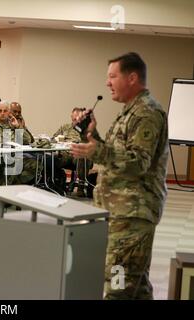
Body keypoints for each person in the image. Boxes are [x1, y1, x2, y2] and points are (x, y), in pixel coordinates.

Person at [71, 52, 169, 300]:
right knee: (135, 287)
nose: (107, 83)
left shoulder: (146, 113)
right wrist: (92, 136)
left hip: (133, 215)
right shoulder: (130, 111)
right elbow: (118, 156)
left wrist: (100, 150)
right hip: (120, 213)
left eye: (113, 76)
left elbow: (139, 162)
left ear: (132, 78)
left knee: (119, 287)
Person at [53, 107, 92, 197]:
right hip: (65, 153)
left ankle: (81, 186)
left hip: (78, 154)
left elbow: (91, 143)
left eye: (76, 119)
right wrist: (60, 141)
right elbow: (53, 139)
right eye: (73, 119)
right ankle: (56, 184)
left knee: (82, 156)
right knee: (51, 158)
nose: (75, 121)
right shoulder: (65, 127)